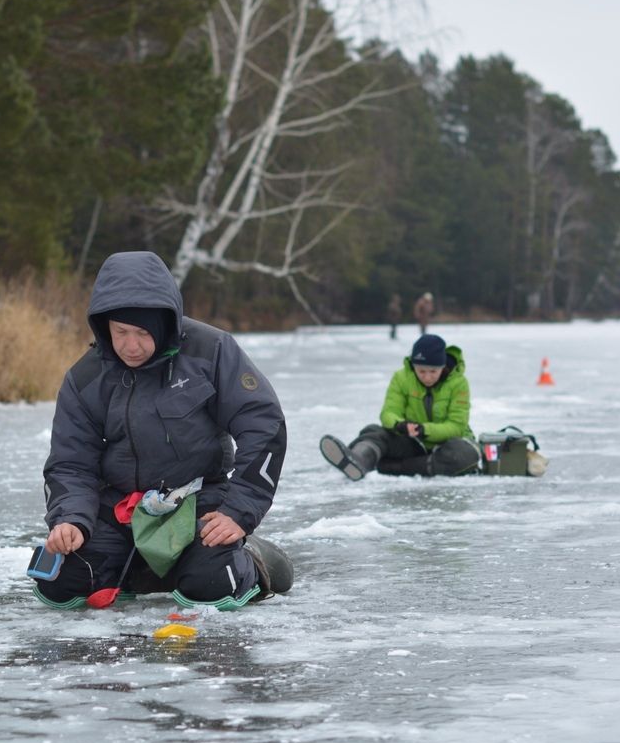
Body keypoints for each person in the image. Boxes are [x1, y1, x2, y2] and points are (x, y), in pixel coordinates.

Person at [35, 251, 292, 611]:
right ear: (103, 325)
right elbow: (70, 463)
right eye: (120, 331)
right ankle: (151, 566)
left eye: (143, 332)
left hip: (198, 503)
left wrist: (239, 511)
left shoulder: (211, 351)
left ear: (164, 323)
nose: (131, 345)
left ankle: (251, 558)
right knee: (61, 582)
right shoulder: (85, 378)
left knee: (211, 584)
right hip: (120, 511)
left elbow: (264, 424)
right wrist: (70, 520)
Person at [319, 333, 480, 480]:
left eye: (433, 371)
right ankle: (359, 460)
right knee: (374, 432)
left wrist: (425, 430)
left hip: (447, 444)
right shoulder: (401, 378)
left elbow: (457, 426)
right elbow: (389, 412)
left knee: (464, 455)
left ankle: (388, 467)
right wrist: (399, 425)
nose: (427, 377)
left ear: (442, 366)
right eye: (421, 371)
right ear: (413, 366)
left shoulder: (458, 383)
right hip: (413, 442)